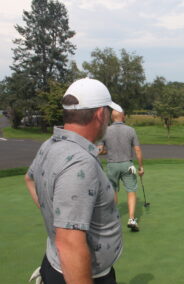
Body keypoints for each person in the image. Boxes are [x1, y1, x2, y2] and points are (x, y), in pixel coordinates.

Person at [24, 78, 123, 284]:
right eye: (107, 113)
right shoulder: (81, 163)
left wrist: (55, 217)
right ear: (99, 114)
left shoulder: (50, 144)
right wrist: (61, 226)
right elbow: (70, 243)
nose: (108, 119)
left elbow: (29, 179)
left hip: (56, 265)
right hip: (80, 275)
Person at [98, 109, 144, 232]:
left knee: (113, 191)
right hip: (127, 165)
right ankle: (132, 219)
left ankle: (113, 219)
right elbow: (138, 150)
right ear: (123, 116)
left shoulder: (105, 131)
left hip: (112, 165)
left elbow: (100, 150)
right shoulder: (130, 130)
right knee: (131, 191)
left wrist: (108, 151)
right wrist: (141, 167)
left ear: (112, 117)